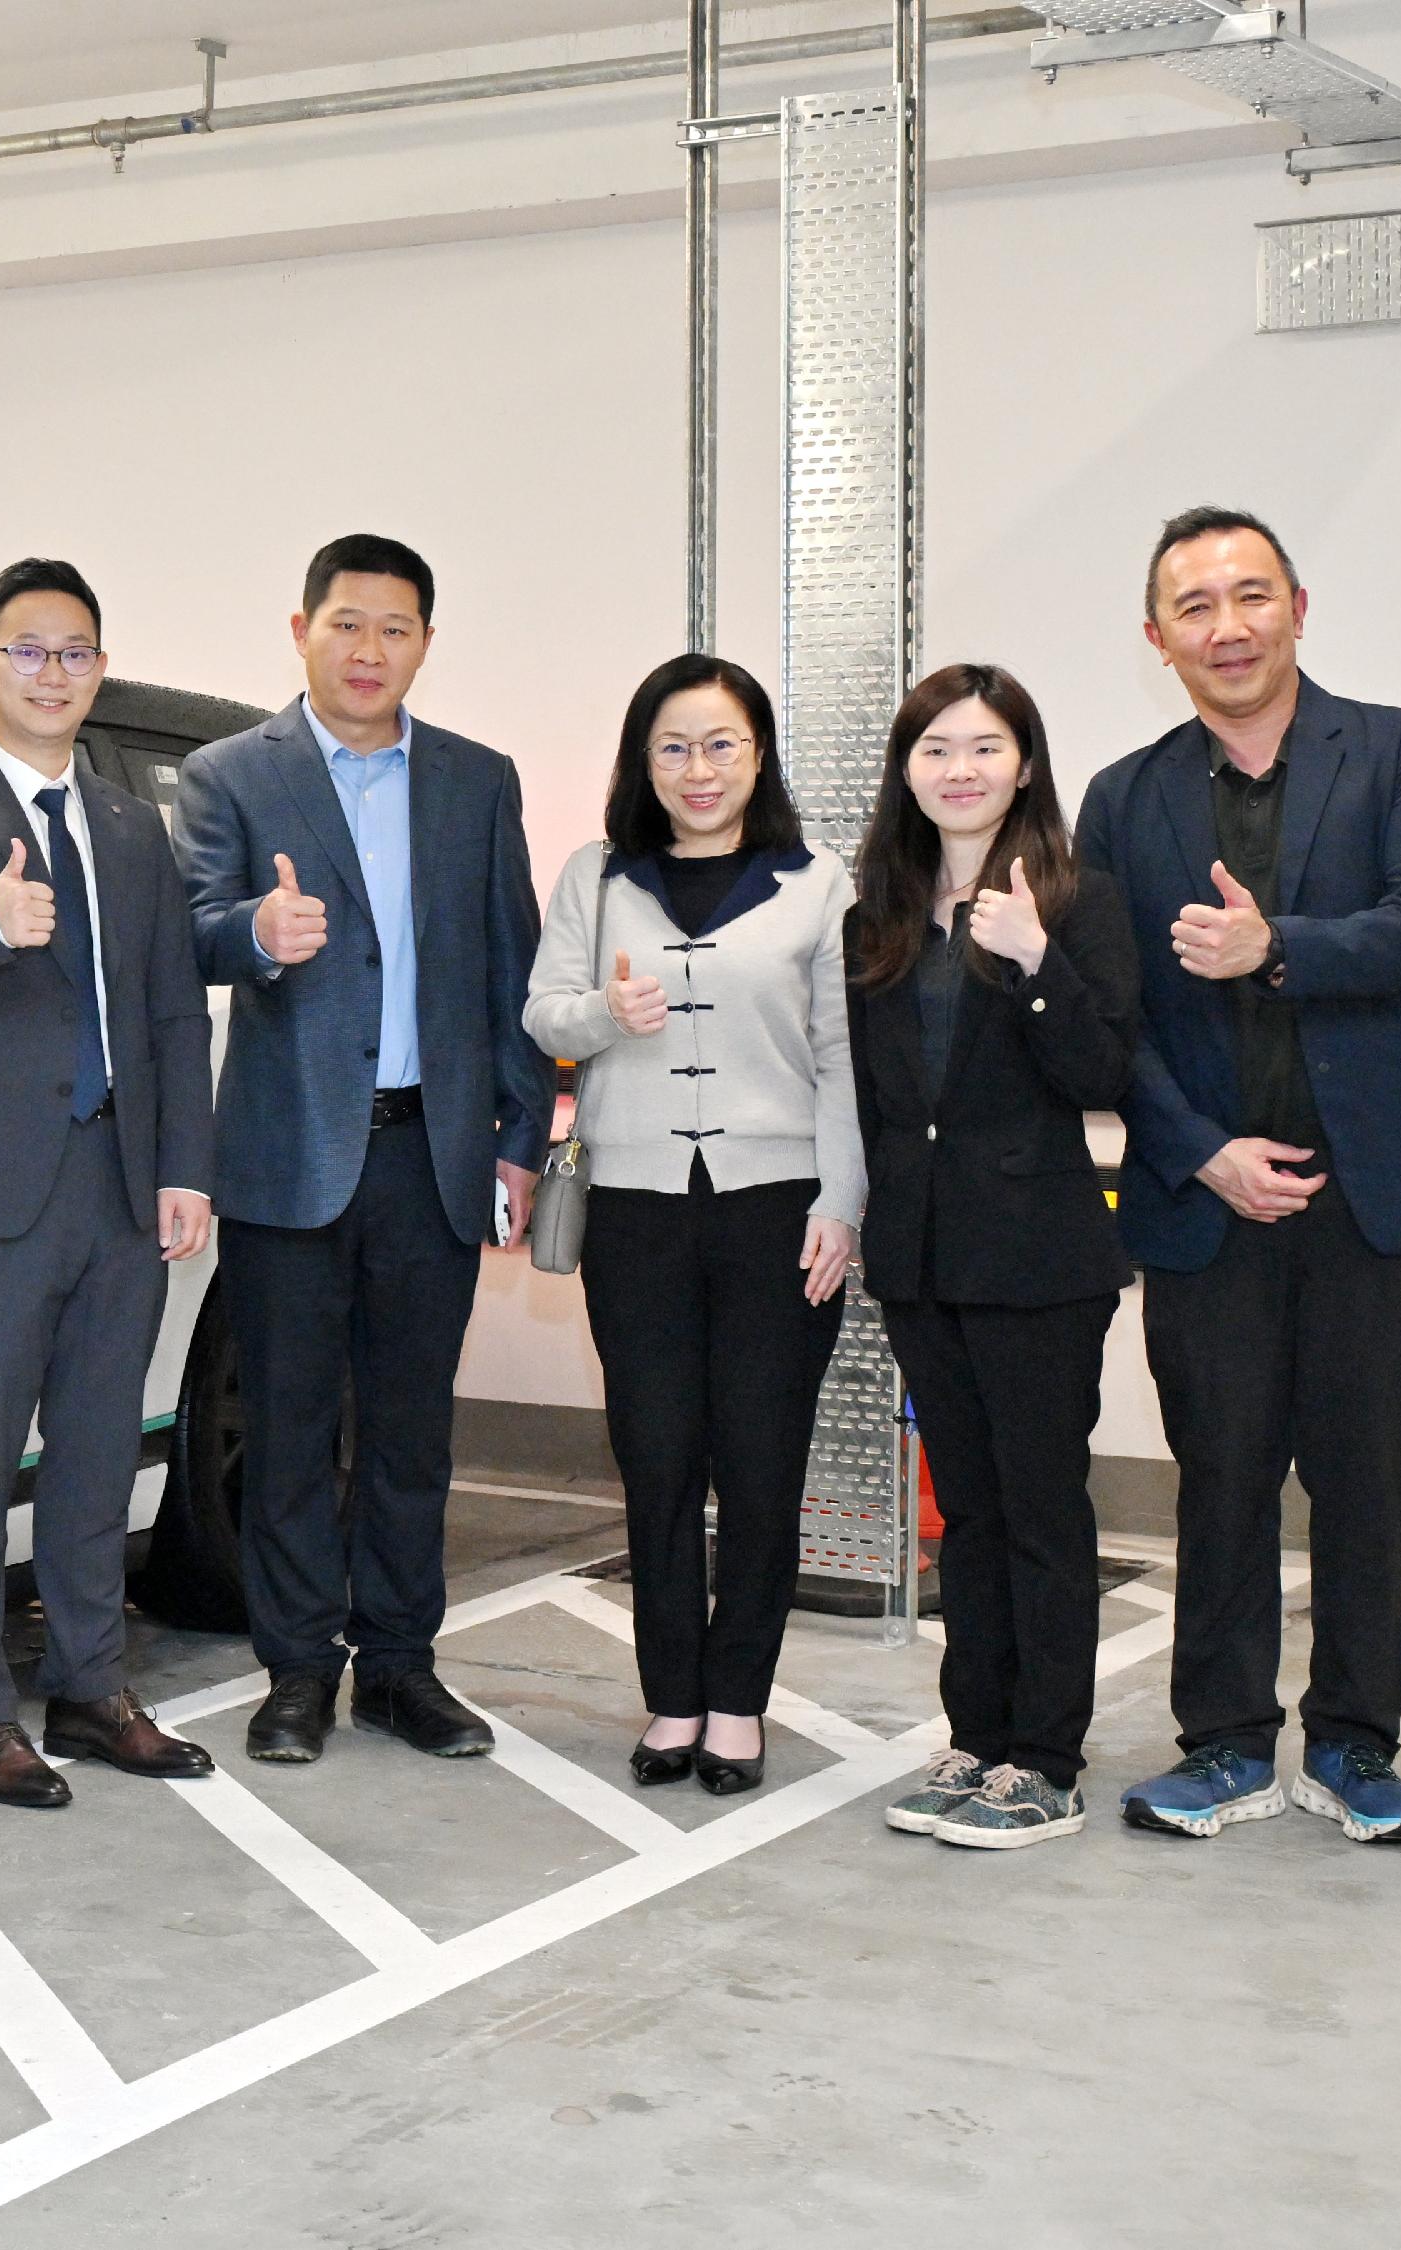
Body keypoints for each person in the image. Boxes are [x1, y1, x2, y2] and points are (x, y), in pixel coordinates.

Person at [1077, 509, 1401, 1846]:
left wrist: (1273, 947)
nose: (1227, 626)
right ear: (1157, 639)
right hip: (1210, 1200)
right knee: (1219, 1476)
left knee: (1370, 1478)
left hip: (1379, 1198)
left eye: (1250, 594)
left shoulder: (1398, 751)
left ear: (1297, 606)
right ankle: (1222, 1745)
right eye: (1194, 606)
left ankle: (1353, 1746)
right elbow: (1111, 1009)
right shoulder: (1124, 798)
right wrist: (1200, 1152)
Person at [180, 534, 554, 1766]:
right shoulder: (230, 775)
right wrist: (255, 930)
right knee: (288, 1430)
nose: (368, 650)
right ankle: (297, 1672)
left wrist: (518, 1136)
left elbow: (510, 967)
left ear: (424, 645)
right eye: (346, 624)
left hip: (431, 1155)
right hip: (289, 1153)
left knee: (410, 1433)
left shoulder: (475, 781)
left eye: (394, 629)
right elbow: (186, 931)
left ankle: (400, 1665)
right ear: (302, 631)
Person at [0, 557, 219, 1808]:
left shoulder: (129, 827)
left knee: (97, 1452)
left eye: (74, 652)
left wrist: (185, 1167)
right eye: (28, 650)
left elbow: (174, 1008)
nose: (51, 672)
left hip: (120, 1179)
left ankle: (89, 1689)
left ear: (99, 671)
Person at [520, 655, 859, 1797]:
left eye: (721, 745)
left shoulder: (816, 881)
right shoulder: (598, 874)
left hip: (779, 1208)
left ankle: (737, 1701)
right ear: (642, 761)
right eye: (673, 747)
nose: (697, 769)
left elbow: (843, 1058)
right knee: (656, 1457)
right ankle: (672, 1697)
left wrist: (842, 1201)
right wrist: (604, 1015)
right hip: (635, 1211)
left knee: (761, 1462)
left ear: (758, 756)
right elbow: (543, 1014)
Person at [842, 665, 1142, 1849]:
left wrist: (1033, 963)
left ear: (1023, 766)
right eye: (934, 749)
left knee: (1039, 1512)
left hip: (1037, 1258)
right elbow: (870, 1095)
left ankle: (1045, 1761)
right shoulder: (878, 912)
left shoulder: (1075, 900)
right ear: (905, 771)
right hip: (919, 1256)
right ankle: (975, 1737)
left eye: (983, 747)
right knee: (963, 1514)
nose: (958, 769)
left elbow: (1102, 1074)